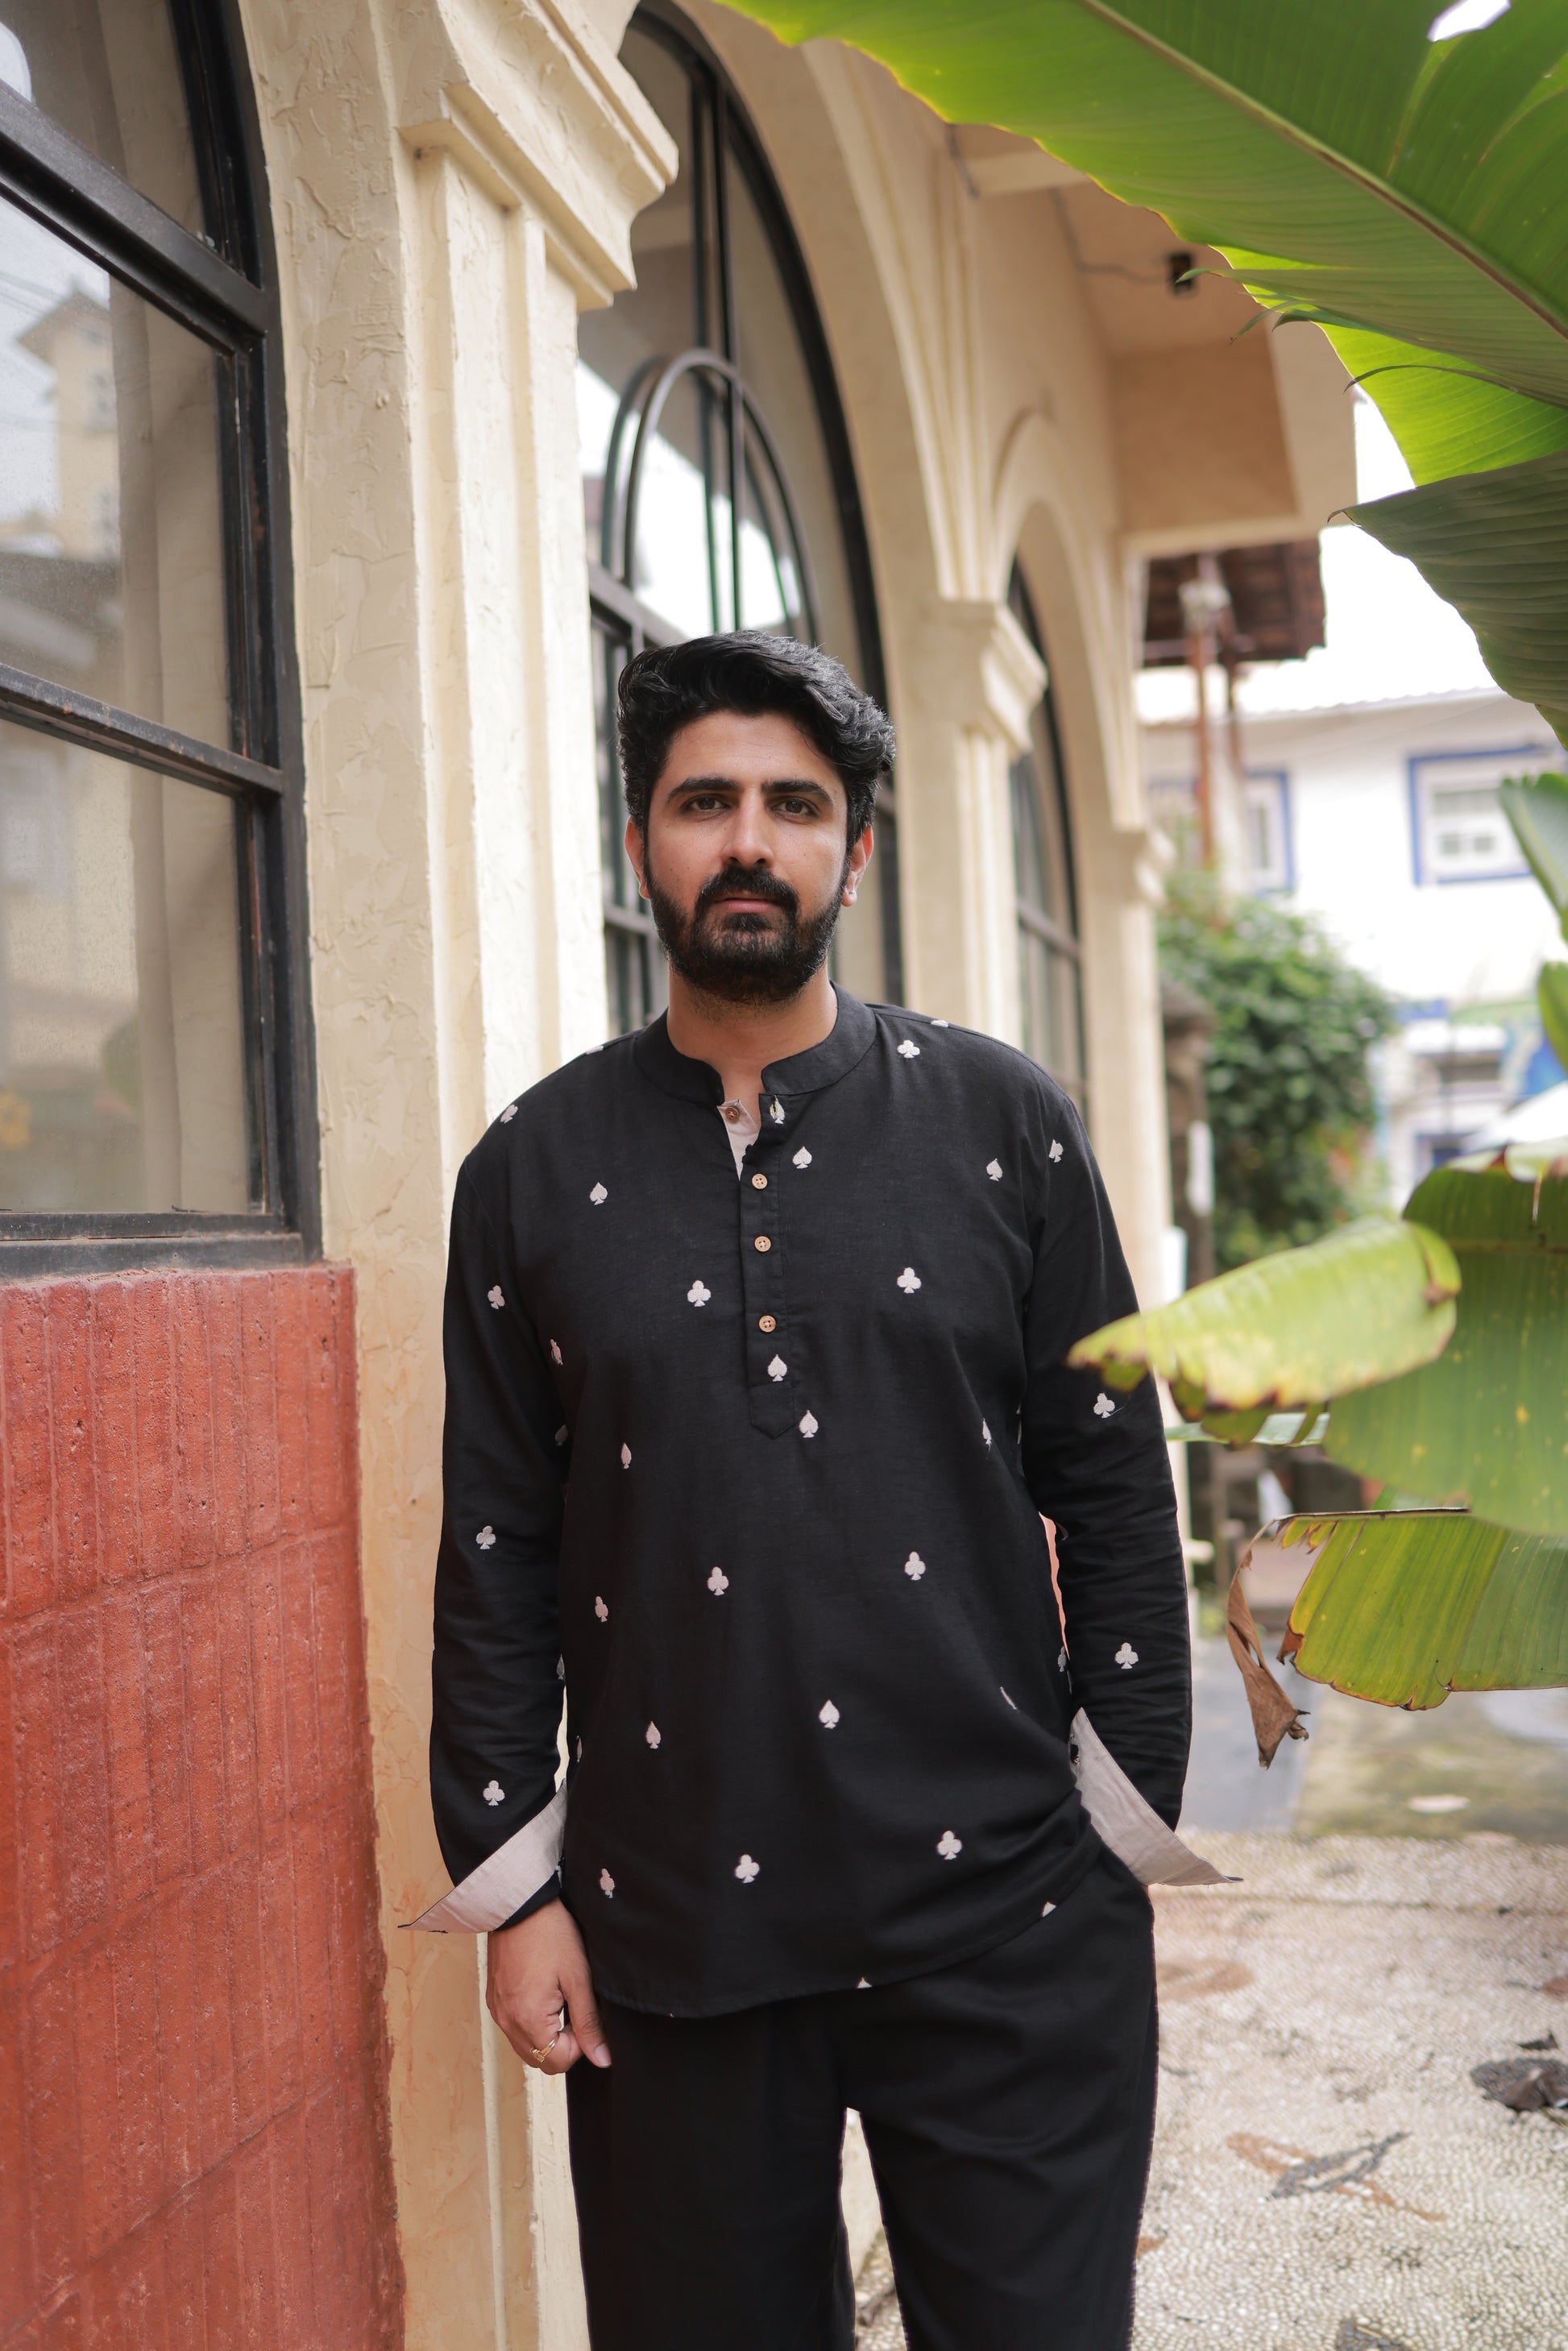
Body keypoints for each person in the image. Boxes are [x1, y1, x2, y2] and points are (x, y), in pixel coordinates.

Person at [425, 631, 1192, 2351]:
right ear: (641, 841)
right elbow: (495, 1543)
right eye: (704, 802)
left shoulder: (1003, 1121)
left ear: (855, 852)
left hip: (1006, 1911)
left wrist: (1115, 1828)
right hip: (665, 1933)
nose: (748, 842)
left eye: (794, 804)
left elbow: (1111, 1482)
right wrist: (514, 1886)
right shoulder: (532, 1169)